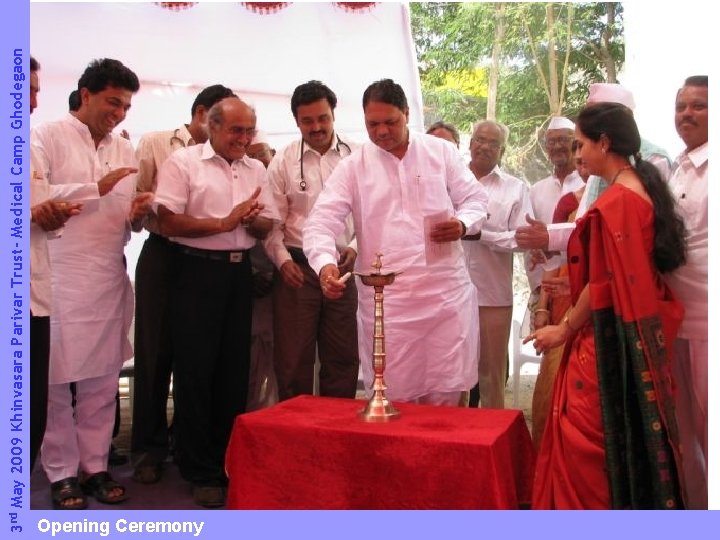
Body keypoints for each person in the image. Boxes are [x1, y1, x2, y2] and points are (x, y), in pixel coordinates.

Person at [528, 102, 687, 509]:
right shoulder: (640, 186)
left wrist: (563, 329)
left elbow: (606, 285)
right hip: (627, 335)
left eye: (582, 145)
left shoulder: (619, 203)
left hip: (605, 342)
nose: (578, 154)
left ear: (604, 142)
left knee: (583, 450)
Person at [304, 79, 488, 406]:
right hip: (388, 304)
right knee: (394, 399)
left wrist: (462, 223)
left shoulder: (439, 151)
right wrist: (324, 264)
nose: (382, 131)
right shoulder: (354, 166)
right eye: (372, 124)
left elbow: (476, 199)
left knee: (447, 396)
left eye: (391, 121)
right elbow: (321, 221)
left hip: (444, 296)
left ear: (406, 114)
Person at [31, 58, 151, 509]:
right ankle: (61, 473)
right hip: (59, 277)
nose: (119, 114)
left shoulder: (125, 147)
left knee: (103, 382)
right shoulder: (44, 136)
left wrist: (137, 217)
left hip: (106, 276)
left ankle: (96, 467)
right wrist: (92, 187)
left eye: (125, 106)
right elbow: (31, 197)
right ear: (85, 95)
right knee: (56, 385)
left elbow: (123, 220)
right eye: (112, 102)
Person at [154, 96, 278, 508]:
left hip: (238, 274)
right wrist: (223, 222)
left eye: (249, 131)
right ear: (212, 126)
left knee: (233, 372)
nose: (243, 139)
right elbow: (167, 220)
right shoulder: (184, 163)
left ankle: (227, 459)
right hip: (194, 271)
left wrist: (252, 218)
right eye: (235, 130)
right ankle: (199, 467)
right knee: (195, 371)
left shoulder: (257, 168)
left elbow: (265, 225)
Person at [130, 84, 235, 485]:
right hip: (162, 253)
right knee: (156, 353)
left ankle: (187, 441)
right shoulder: (156, 143)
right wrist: (145, 207)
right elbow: (134, 203)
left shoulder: (232, 155)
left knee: (200, 359)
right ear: (204, 114)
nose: (232, 131)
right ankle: (148, 448)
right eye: (223, 121)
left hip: (208, 258)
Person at [263, 81, 360, 401]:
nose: (316, 127)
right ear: (296, 121)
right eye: (307, 121)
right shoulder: (283, 161)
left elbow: (372, 214)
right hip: (297, 272)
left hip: (343, 270)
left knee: (343, 358)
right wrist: (282, 261)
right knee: (292, 362)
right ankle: (296, 439)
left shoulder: (358, 156)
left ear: (333, 115)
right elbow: (272, 223)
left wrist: (356, 247)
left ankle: (338, 435)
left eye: (323, 118)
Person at [517, 83, 673, 255]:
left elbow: (634, 240)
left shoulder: (653, 160)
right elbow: (587, 227)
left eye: (581, 144)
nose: (578, 154)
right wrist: (549, 237)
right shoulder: (598, 168)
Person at [27, 56, 83, 475]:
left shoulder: (25, 145)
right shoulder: (46, 136)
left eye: (35, 89)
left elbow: (37, 213)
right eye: (26, 90)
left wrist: (49, 214)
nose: (33, 100)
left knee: (30, 412)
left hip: (34, 296)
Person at [462, 120, 532, 409]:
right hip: (450, 294)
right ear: (470, 143)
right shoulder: (450, 181)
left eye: (493, 143)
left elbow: (522, 239)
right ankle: (456, 438)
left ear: (502, 151)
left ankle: (492, 440)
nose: (485, 147)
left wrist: (482, 234)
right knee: (455, 375)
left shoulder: (515, 189)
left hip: (493, 295)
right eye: (480, 139)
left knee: (491, 376)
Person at [664, 75, 708, 509]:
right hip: (676, 320)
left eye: (698, 106)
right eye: (682, 107)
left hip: (709, 325)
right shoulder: (679, 166)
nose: (687, 114)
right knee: (684, 434)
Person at [530, 140, 590, 448]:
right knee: (554, 382)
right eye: (579, 161)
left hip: (595, 302)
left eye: (585, 157)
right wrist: (542, 307)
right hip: (567, 300)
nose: (583, 165)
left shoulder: (625, 196)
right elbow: (554, 260)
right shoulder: (569, 203)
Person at [524, 116, 584, 298]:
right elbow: (530, 238)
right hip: (543, 287)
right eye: (552, 142)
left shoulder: (589, 184)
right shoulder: (536, 190)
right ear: (546, 148)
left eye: (563, 140)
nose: (557, 146)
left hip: (580, 286)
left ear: (576, 144)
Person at [246, 130, 279, 411]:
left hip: (284, 286)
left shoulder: (284, 183)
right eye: (251, 156)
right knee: (250, 362)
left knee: (282, 362)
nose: (258, 160)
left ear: (273, 154)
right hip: (251, 289)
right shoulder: (245, 188)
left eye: (262, 154)